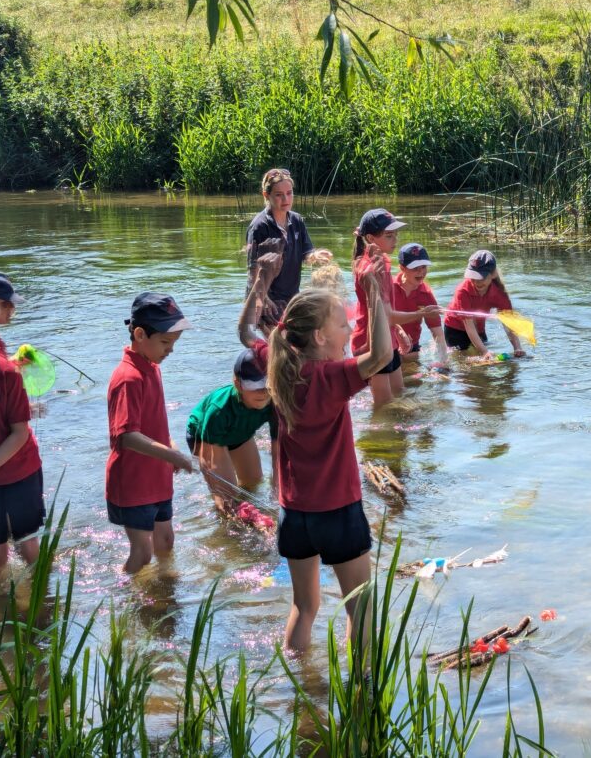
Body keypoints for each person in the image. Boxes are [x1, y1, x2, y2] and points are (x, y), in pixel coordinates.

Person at [238, 250, 392, 653]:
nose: (349, 329)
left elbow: (246, 332)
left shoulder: (280, 364)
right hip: (338, 510)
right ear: (320, 337)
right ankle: (362, 693)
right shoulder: (331, 376)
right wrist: (374, 293)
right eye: (343, 324)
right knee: (360, 609)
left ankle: (299, 687)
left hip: (295, 515)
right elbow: (381, 357)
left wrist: (260, 282)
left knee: (304, 607)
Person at [106, 293, 195, 574]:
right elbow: (126, 436)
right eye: (165, 342)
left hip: (156, 475)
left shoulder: (151, 367)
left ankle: (165, 589)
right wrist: (172, 455)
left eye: (174, 343)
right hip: (132, 482)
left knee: (166, 541)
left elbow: (152, 423)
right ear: (140, 334)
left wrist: (169, 449)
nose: (170, 350)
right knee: (143, 553)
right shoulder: (128, 377)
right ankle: (126, 596)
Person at [0, 298, 44, 577]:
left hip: (19, 471)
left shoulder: (8, 374)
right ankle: (0, 607)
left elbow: (20, 433)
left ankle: (41, 601)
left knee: (27, 546)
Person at [351, 209, 440, 407]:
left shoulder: (382, 261)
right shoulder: (371, 268)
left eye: (395, 235)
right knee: (384, 407)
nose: (395, 240)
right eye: (389, 236)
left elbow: (385, 314)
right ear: (370, 238)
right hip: (372, 343)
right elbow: (386, 316)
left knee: (400, 395)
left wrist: (397, 330)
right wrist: (422, 313)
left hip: (386, 339)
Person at [186, 348, 278, 515]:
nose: (263, 392)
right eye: (254, 385)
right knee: (228, 499)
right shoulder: (219, 410)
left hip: (239, 434)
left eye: (267, 384)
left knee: (254, 483)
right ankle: (226, 525)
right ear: (238, 383)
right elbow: (209, 460)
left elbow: (279, 454)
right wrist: (218, 490)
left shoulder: (275, 403)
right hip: (206, 437)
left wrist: (278, 495)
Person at [245, 168, 321, 326]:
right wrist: (263, 299)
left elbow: (306, 252)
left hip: (291, 298)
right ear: (266, 195)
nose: (286, 199)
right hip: (266, 301)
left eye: (289, 193)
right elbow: (253, 270)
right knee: (277, 348)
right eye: (279, 194)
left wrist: (315, 256)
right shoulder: (259, 226)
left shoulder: (297, 220)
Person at [443, 250, 526, 359]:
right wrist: (484, 352)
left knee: (483, 361)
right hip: (455, 329)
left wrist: (517, 347)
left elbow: (508, 322)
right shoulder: (463, 291)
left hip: (478, 329)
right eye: (473, 277)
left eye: (481, 278)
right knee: (466, 361)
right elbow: (469, 326)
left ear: (493, 274)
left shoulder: (499, 293)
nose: (477, 282)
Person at [392, 243, 447, 367]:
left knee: (414, 384)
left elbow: (437, 333)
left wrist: (443, 362)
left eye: (423, 267)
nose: (421, 272)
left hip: (412, 347)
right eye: (415, 268)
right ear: (402, 268)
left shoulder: (426, 295)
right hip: (388, 344)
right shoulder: (389, 288)